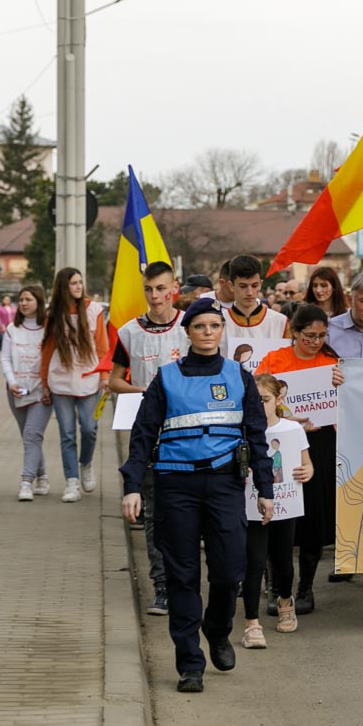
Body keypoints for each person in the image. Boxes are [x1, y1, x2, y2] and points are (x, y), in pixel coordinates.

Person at [120, 297, 275, 693]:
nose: (208, 333)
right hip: (176, 487)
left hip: (224, 486)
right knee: (182, 577)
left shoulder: (238, 377)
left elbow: (257, 436)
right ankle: (190, 662)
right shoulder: (166, 377)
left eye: (214, 326)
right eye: (200, 327)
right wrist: (132, 486)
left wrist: (265, 489)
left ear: (222, 331)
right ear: (187, 332)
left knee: (228, 572)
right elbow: (142, 436)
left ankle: (218, 631)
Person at [107, 261, 191, 616]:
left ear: (174, 287)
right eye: (149, 290)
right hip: (149, 437)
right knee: (154, 513)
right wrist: (140, 390)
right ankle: (161, 586)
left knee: (187, 514)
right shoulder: (129, 332)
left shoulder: (191, 326)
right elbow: (113, 380)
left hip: (188, 436)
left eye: (161, 289)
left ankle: (186, 582)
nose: (155, 297)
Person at [256, 306, 347, 614]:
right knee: (276, 510)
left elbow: (344, 405)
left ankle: (305, 586)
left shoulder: (331, 363)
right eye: (309, 335)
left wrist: (341, 386)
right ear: (294, 332)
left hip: (319, 443)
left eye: (322, 335)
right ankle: (275, 587)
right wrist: (291, 417)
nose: (316, 341)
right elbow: (260, 398)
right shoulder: (275, 361)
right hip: (280, 440)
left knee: (314, 515)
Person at [241, 372, 315, 647]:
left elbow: (307, 463)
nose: (259, 405)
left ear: (278, 399)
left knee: (283, 560)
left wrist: (307, 471)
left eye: (265, 399)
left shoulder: (291, 429)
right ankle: (251, 622)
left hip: (286, 504)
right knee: (254, 561)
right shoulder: (241, 430)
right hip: (252, 505)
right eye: (254, 400)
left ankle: (285, 600)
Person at [43, 266, 108, 502]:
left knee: (89, 428)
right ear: (64, 286)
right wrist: (43, 382)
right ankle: (71, 482)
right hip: (60, 380)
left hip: (89, 378)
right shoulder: (53, 314)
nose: (79, 286)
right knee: (67, 434)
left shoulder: (94, 310)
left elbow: (102, 346)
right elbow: (47, 350)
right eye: (73, 283)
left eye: (80, 282)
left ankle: (86, 464)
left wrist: (104, 376)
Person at [1, 284, 51, 500]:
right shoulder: (12, 329)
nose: (23, 303)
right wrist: (12, 382)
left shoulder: (49, 329)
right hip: (16, 391)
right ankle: (42, 475)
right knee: (29, 437)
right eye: (20, 299)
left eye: (28, 299)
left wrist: (47, 385)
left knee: (32, 435)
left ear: (39, 302)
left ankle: (26, 482)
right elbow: (4, 359)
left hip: (42, 392)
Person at [221, 255, 287, 357]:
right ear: (231, 286)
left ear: (260, 284)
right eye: (243, 286)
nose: (249, 292)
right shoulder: (219, 322)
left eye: (254, 286)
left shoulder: (280, 322)